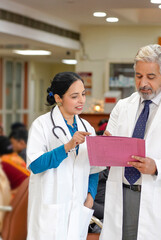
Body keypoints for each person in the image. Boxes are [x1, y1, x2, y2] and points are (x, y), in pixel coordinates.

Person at [100, 44, 161, 240]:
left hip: (159, 196)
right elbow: (109, 142)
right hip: (122, 193)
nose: (143, 83)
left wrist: (157, 167)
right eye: (138, 76)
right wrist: (105, 147)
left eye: (150, 77)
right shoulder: (122, 107)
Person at [26, 72, 104, 240]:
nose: (81, 100)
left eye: (83, 94)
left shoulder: (87, 126)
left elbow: (94, 167)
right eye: (74, 96)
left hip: (78, 207)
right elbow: (36, 165)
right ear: (58, 98)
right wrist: (67, 146)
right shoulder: (42, 125)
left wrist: (90, 196)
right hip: (50, 208)